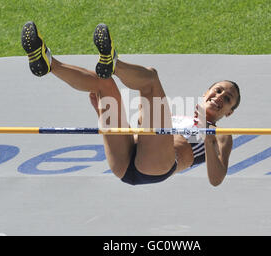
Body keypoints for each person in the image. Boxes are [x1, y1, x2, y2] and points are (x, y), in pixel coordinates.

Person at [21, 21, 241, 186]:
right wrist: (104, 113)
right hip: (126, 158)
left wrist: (209, 137)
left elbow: (216, 178)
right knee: (103, 84)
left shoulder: (221, 135)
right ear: (206, 92)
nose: (220, 96)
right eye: (218, 90)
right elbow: (145, 131)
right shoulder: (178, 115)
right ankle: (49, 62)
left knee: (151, 80)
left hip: (156, 167)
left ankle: (114, 62)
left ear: (229, 112)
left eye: (228, 98)